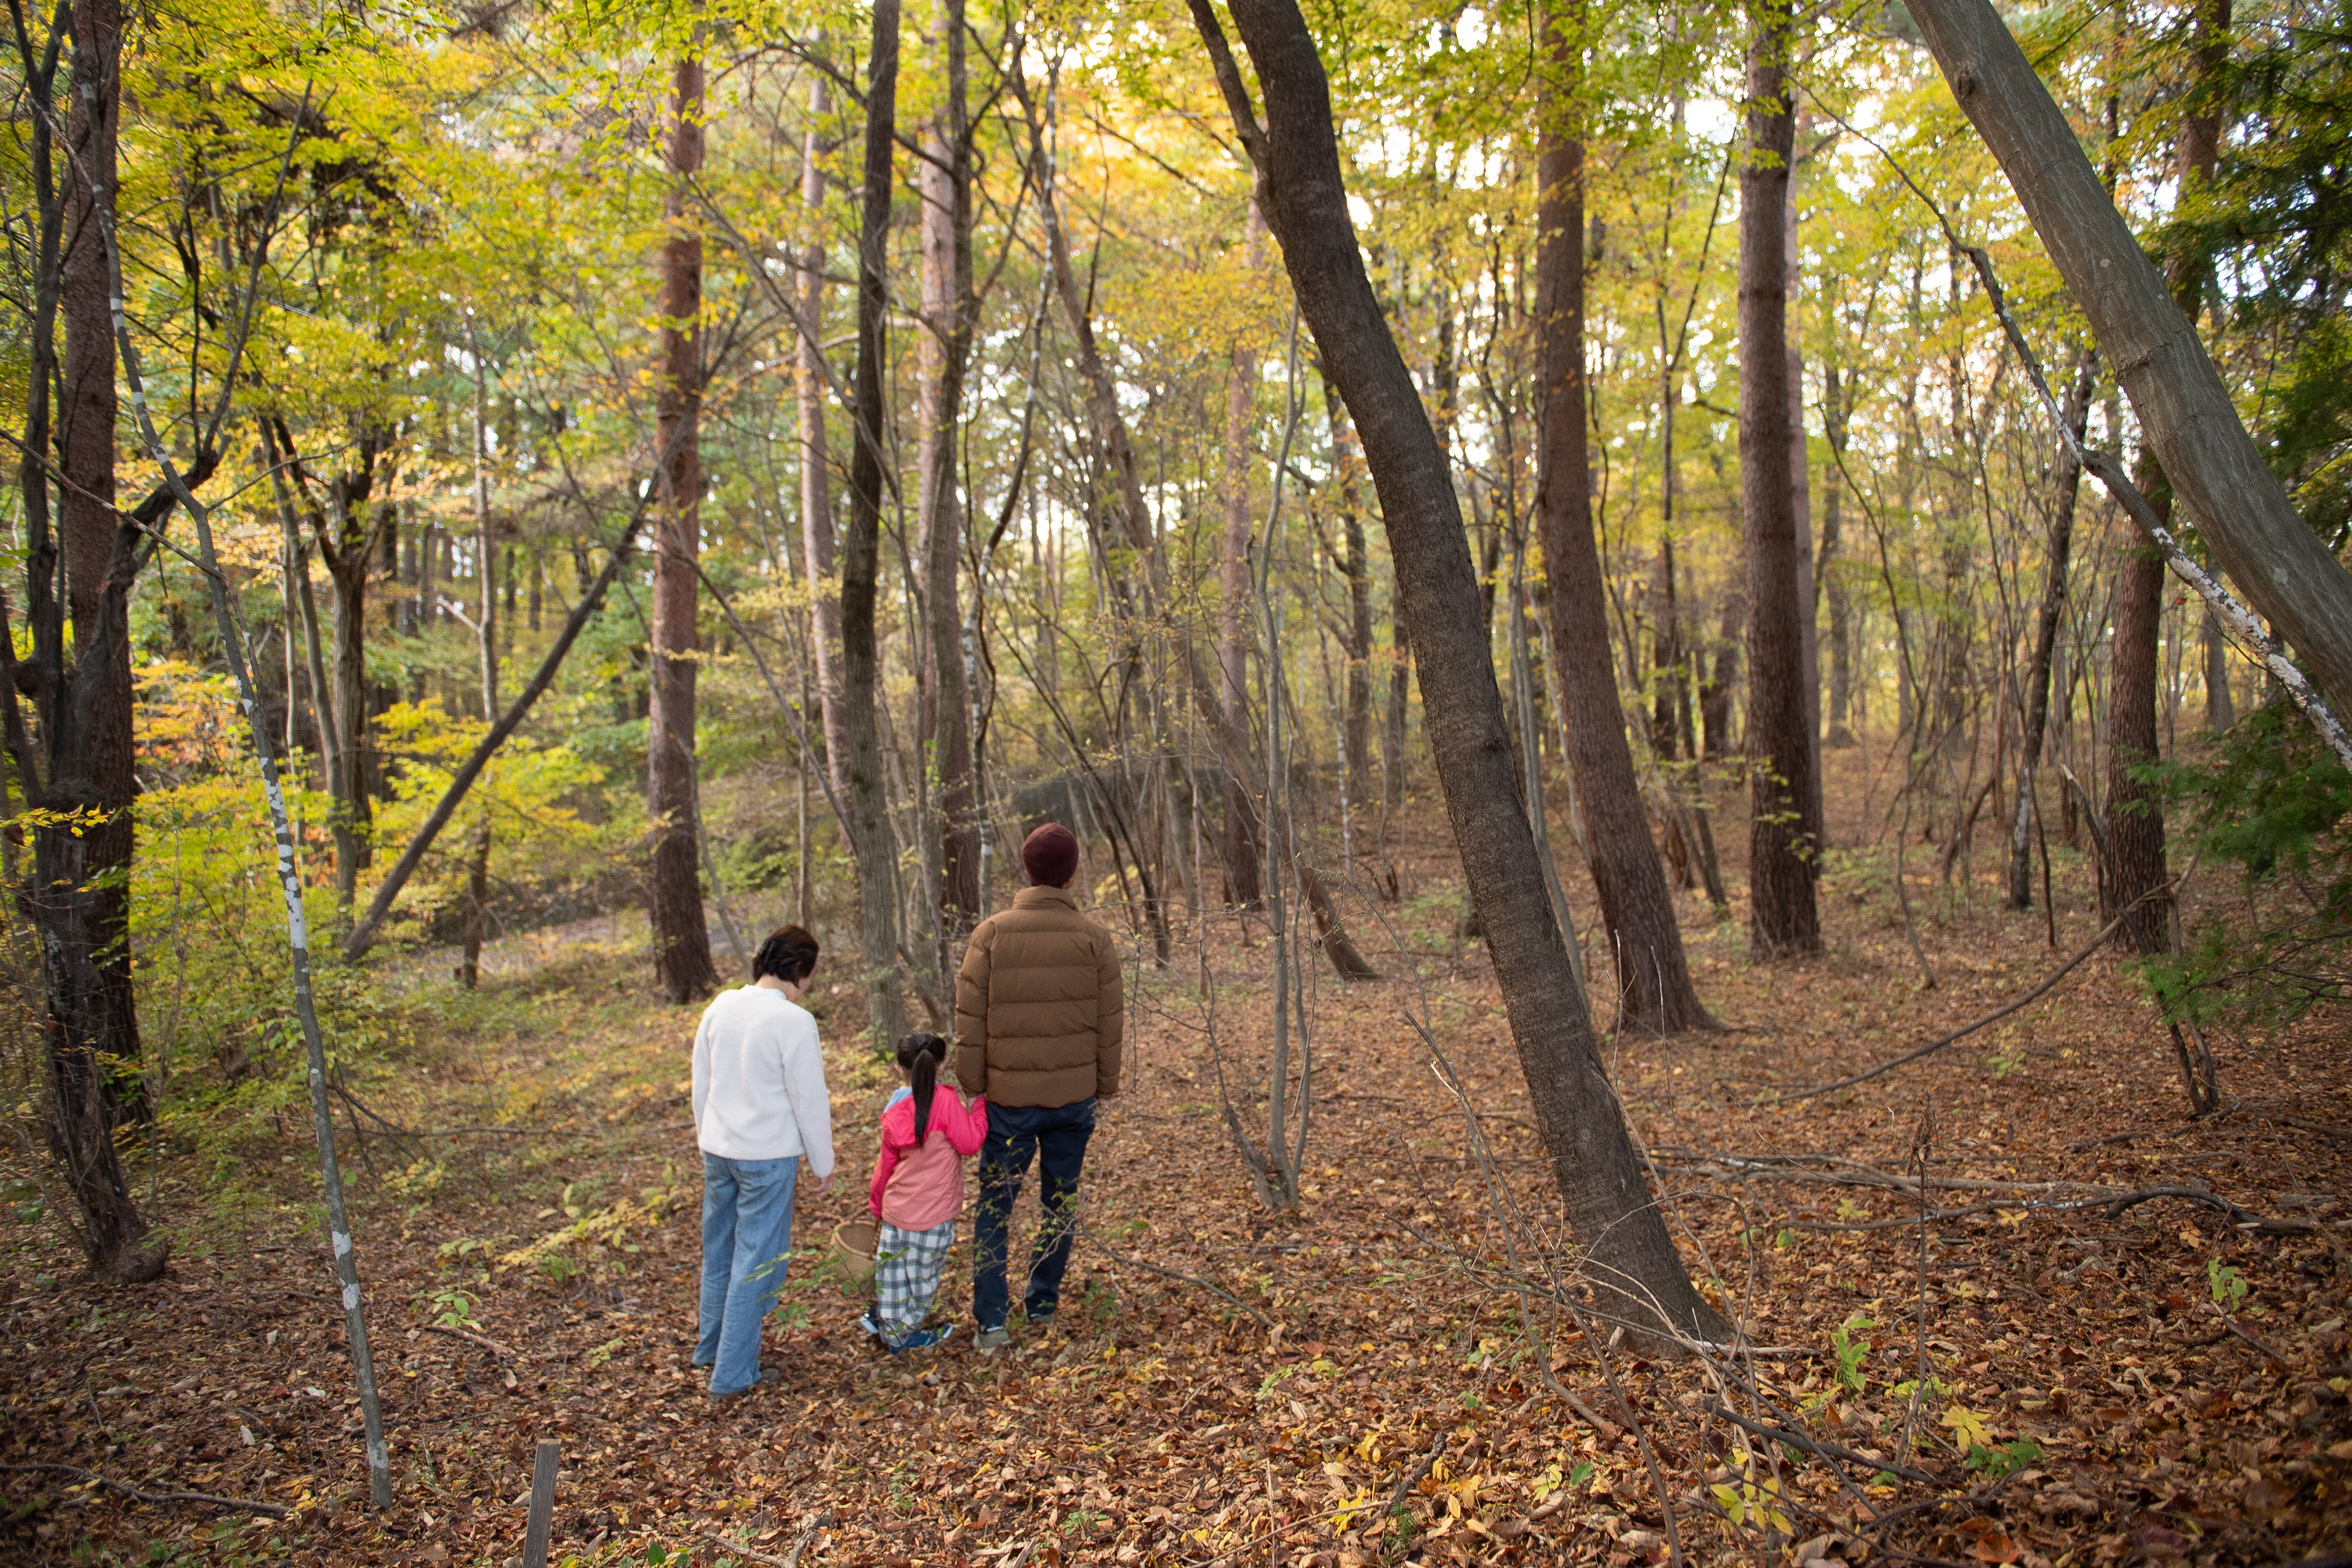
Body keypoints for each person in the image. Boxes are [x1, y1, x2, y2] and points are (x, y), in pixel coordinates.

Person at [955, 822, 1122, 1352]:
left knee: (995, 1207)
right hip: (1072, 1101)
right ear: (1070, 875)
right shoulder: (1094, 938)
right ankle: (1042, 1302)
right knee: (1059, 1201)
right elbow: (1109, 1022)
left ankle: (991, 1321)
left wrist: (974, 1086)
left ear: (1027, 870)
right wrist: (1104, 1086)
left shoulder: (991, 934)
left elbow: (969, 1022)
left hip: (1009, 1105)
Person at [690, 925, 835, 1399]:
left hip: (720, 1150)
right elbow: (808, 1098)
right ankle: (733, 1374)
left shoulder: (721, 1006)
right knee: (753, 1263)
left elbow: (701, 1083)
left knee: (720, 1253)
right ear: (799, 970)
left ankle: (712, 1350)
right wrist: (823, 1162)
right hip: (766, 1158)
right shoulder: (793, 1021)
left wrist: (707, 1137)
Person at [862, 1032, 989, 1353]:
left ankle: (887, 1321)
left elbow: (885, 1166)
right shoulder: (945, 1102)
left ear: (899, 1069)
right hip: (933, 1215)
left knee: (893, 1276)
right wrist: (978, 1106)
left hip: (897, 1210)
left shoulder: (895, 1109)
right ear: (941, 1065)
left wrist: (876, 1204)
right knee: (922, 1281)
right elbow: (971, 1142)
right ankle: (900, 1337)